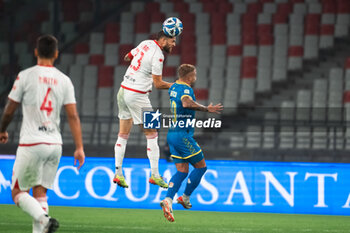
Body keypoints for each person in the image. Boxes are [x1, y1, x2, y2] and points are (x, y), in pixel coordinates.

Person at [0, 35, 85, 233]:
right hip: (55, 144)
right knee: (40, 194)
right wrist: (79, 147)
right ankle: (43, 223)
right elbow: (73, 116)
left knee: (18, 193)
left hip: (32, 142)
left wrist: (2, 129)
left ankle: (44, 220)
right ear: (56, 54)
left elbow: (10, 109)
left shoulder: (25, 76)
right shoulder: (64, 80)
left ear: (36, 52)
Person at [113, 31, 177, 189]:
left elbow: (127, 57)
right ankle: (155, 175)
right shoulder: (159, 56)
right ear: (163, 40)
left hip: (123, 90)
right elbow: (158, 84)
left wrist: (140, 68)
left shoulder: (146, 43)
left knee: (123, 134)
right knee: (152, 133)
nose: (174, 44)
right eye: (172, 41)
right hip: (138, 96)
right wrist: (177, 85)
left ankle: (118, 173)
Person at [160, 64, 223, 222]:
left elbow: (164, 86)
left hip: (172, 134)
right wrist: (206, 109)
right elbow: (187, 103)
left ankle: (168, 200)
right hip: (182, 135)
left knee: (182, 171)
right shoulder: (186, 89)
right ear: (189, 76)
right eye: (194, 74)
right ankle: (185, 198)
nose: (195, 77)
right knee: (201, 167)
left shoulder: (174, 87)